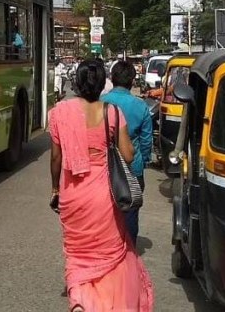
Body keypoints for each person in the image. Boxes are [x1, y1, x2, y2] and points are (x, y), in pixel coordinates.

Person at [49, 59, 154, 312]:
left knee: (77, 253)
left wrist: (55, 189)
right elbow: (127, 155)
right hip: (103, 195)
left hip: (72, 194)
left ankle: (79, 299)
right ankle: (105, 302)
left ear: (77, 82)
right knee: (107, 253)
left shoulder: (59, 112)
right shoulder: (112, 112)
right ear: (101, 84)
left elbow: (56, 158)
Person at [101, 61, 154, 245]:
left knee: (106, 213)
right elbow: (146, 141)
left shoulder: (100, 103)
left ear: (112, 78)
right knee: (130, 213)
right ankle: (129, 249)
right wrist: (143, 161)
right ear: (132, 81)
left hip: (104, 167)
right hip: (133, 168)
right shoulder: (140, 106)